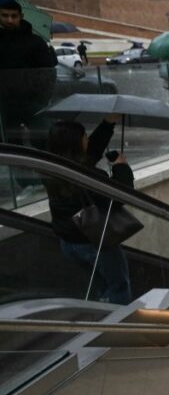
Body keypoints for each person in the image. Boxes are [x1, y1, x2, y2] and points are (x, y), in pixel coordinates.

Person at [43, 117, 134, 304]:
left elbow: (91, 151)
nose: (88, 139)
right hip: (95, 243)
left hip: (68, 242)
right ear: (77, 143)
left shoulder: (51, 168)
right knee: (118, 288)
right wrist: (122, 167)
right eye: (85, 136)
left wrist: (107, 124)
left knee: (100, 287)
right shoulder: (88, 176)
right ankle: (119, 328)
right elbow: (119, 197)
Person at [0, 0, 56, 149]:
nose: (9, 20)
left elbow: (47, 74)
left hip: (32, 102)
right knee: (11, 148)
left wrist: (41, 99)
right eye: (5, 16)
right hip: (5, 104)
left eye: (13, 16)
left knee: (43, 143)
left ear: (21, 17)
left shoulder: (36, 42)